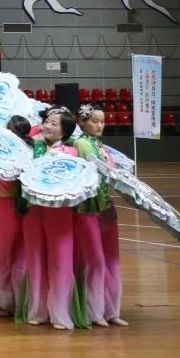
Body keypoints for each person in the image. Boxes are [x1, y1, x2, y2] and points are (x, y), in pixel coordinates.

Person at [18, 107, 88, 330]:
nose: (47, 126)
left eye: (54, 123)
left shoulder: (71, 153)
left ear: (64, 131)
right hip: (34, 210)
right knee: (35, 258)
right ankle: (38, 310)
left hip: (60, 212)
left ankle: (60, 312)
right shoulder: (32, 148)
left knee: (61, 260)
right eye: (47, 121)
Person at [72, 103, 127, 327]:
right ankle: (94, 312)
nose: (99, 125)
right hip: (88, 206)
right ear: (82, 121)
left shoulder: (99, 144)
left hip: (105, 205)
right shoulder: (81, 143)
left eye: (102, 121)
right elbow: (93, 173)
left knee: (111, 258)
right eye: (94, 121)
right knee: (95, 259)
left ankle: (111, 309)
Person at [0, 115, 31, 317]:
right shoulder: (30, 153)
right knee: (21, 257)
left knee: (1, 257)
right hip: (24, 209)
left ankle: (6, 302)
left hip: (5, 209)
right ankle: (22, 302)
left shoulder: (0, 155)